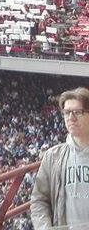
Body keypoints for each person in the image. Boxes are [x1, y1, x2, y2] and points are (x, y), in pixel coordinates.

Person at [31, 87, 89, 229]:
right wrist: (44, 227)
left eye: (77, 112)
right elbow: (39, 200)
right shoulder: (52, 157)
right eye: (67, 112)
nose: (71, 118)